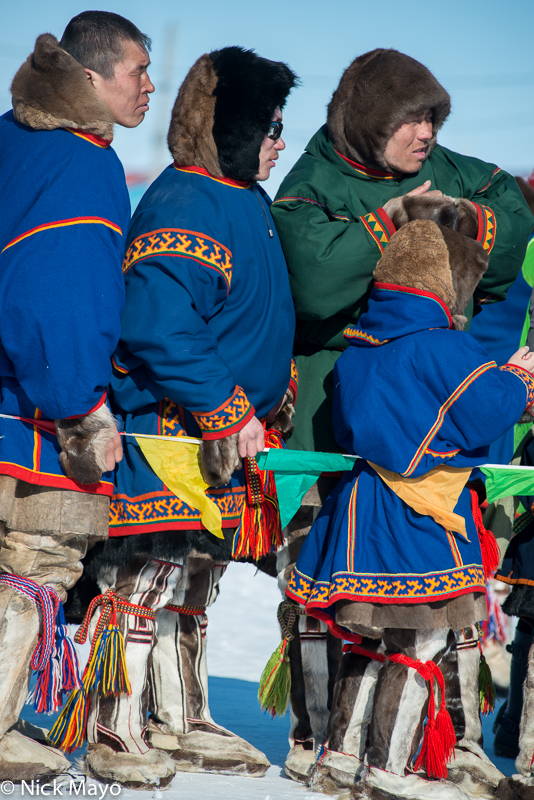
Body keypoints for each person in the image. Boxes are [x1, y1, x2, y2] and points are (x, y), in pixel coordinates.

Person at [269, 47, 534, 784]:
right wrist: (389, 224)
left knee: (449, 598)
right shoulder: (314, 183)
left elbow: (510, 232)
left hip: (440, 434)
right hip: (332, 423)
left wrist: (462, 218)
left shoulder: (455, 172)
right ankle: (318, 737)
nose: (426, 134)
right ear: (365, 122)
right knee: (330, 601)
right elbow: (318, 283)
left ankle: (452, 743)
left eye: (432, 118)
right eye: (410, 119)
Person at [53, 47, 298, 789]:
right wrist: (227, 412)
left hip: (221, 442)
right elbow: (159, 323)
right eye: (271, 126)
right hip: (173, 434)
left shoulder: (241, 198)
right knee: (143, 580)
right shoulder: (187, 201)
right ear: (232, 129)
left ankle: (181, 713)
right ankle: (113, 725)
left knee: (194, 583)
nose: (280, 142)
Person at [0, 11, 153, 781]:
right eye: (136, 70)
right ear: (89, 78)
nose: (149, 85)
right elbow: (57, 294)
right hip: (30, 411)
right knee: (35, 561)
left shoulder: (10, 139)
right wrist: (79, 409)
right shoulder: (80, 163)